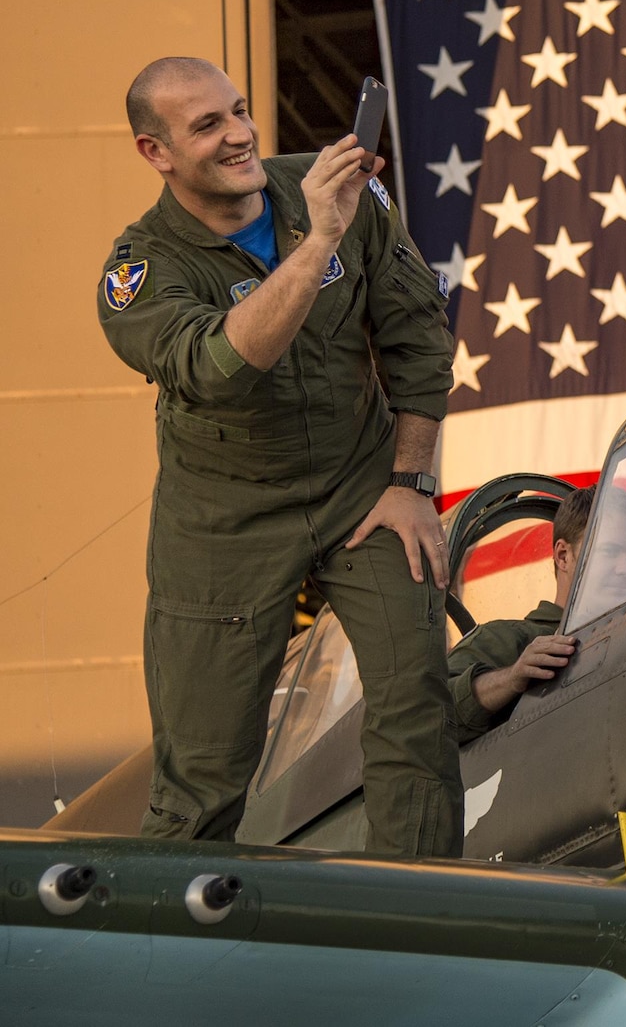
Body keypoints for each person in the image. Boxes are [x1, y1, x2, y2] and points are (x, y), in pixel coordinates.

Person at [98, 57, 461, 857]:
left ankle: (425, 927)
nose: (240, 134)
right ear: (154, 152)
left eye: (239, 110)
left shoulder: (336, 189)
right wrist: (318, 236)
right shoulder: (140, 272)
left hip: (362, 489)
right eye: (207, 126)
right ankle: (171, 961)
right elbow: (223, 370)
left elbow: (417, 336)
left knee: (416, 710)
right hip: (224, 527)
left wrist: (410, 481)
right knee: (203, 777)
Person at [447, 484, 626, 741]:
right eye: (610, 552)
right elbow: (431, 714)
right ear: (563, 556)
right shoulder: (507, 640)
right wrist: (513, 678)